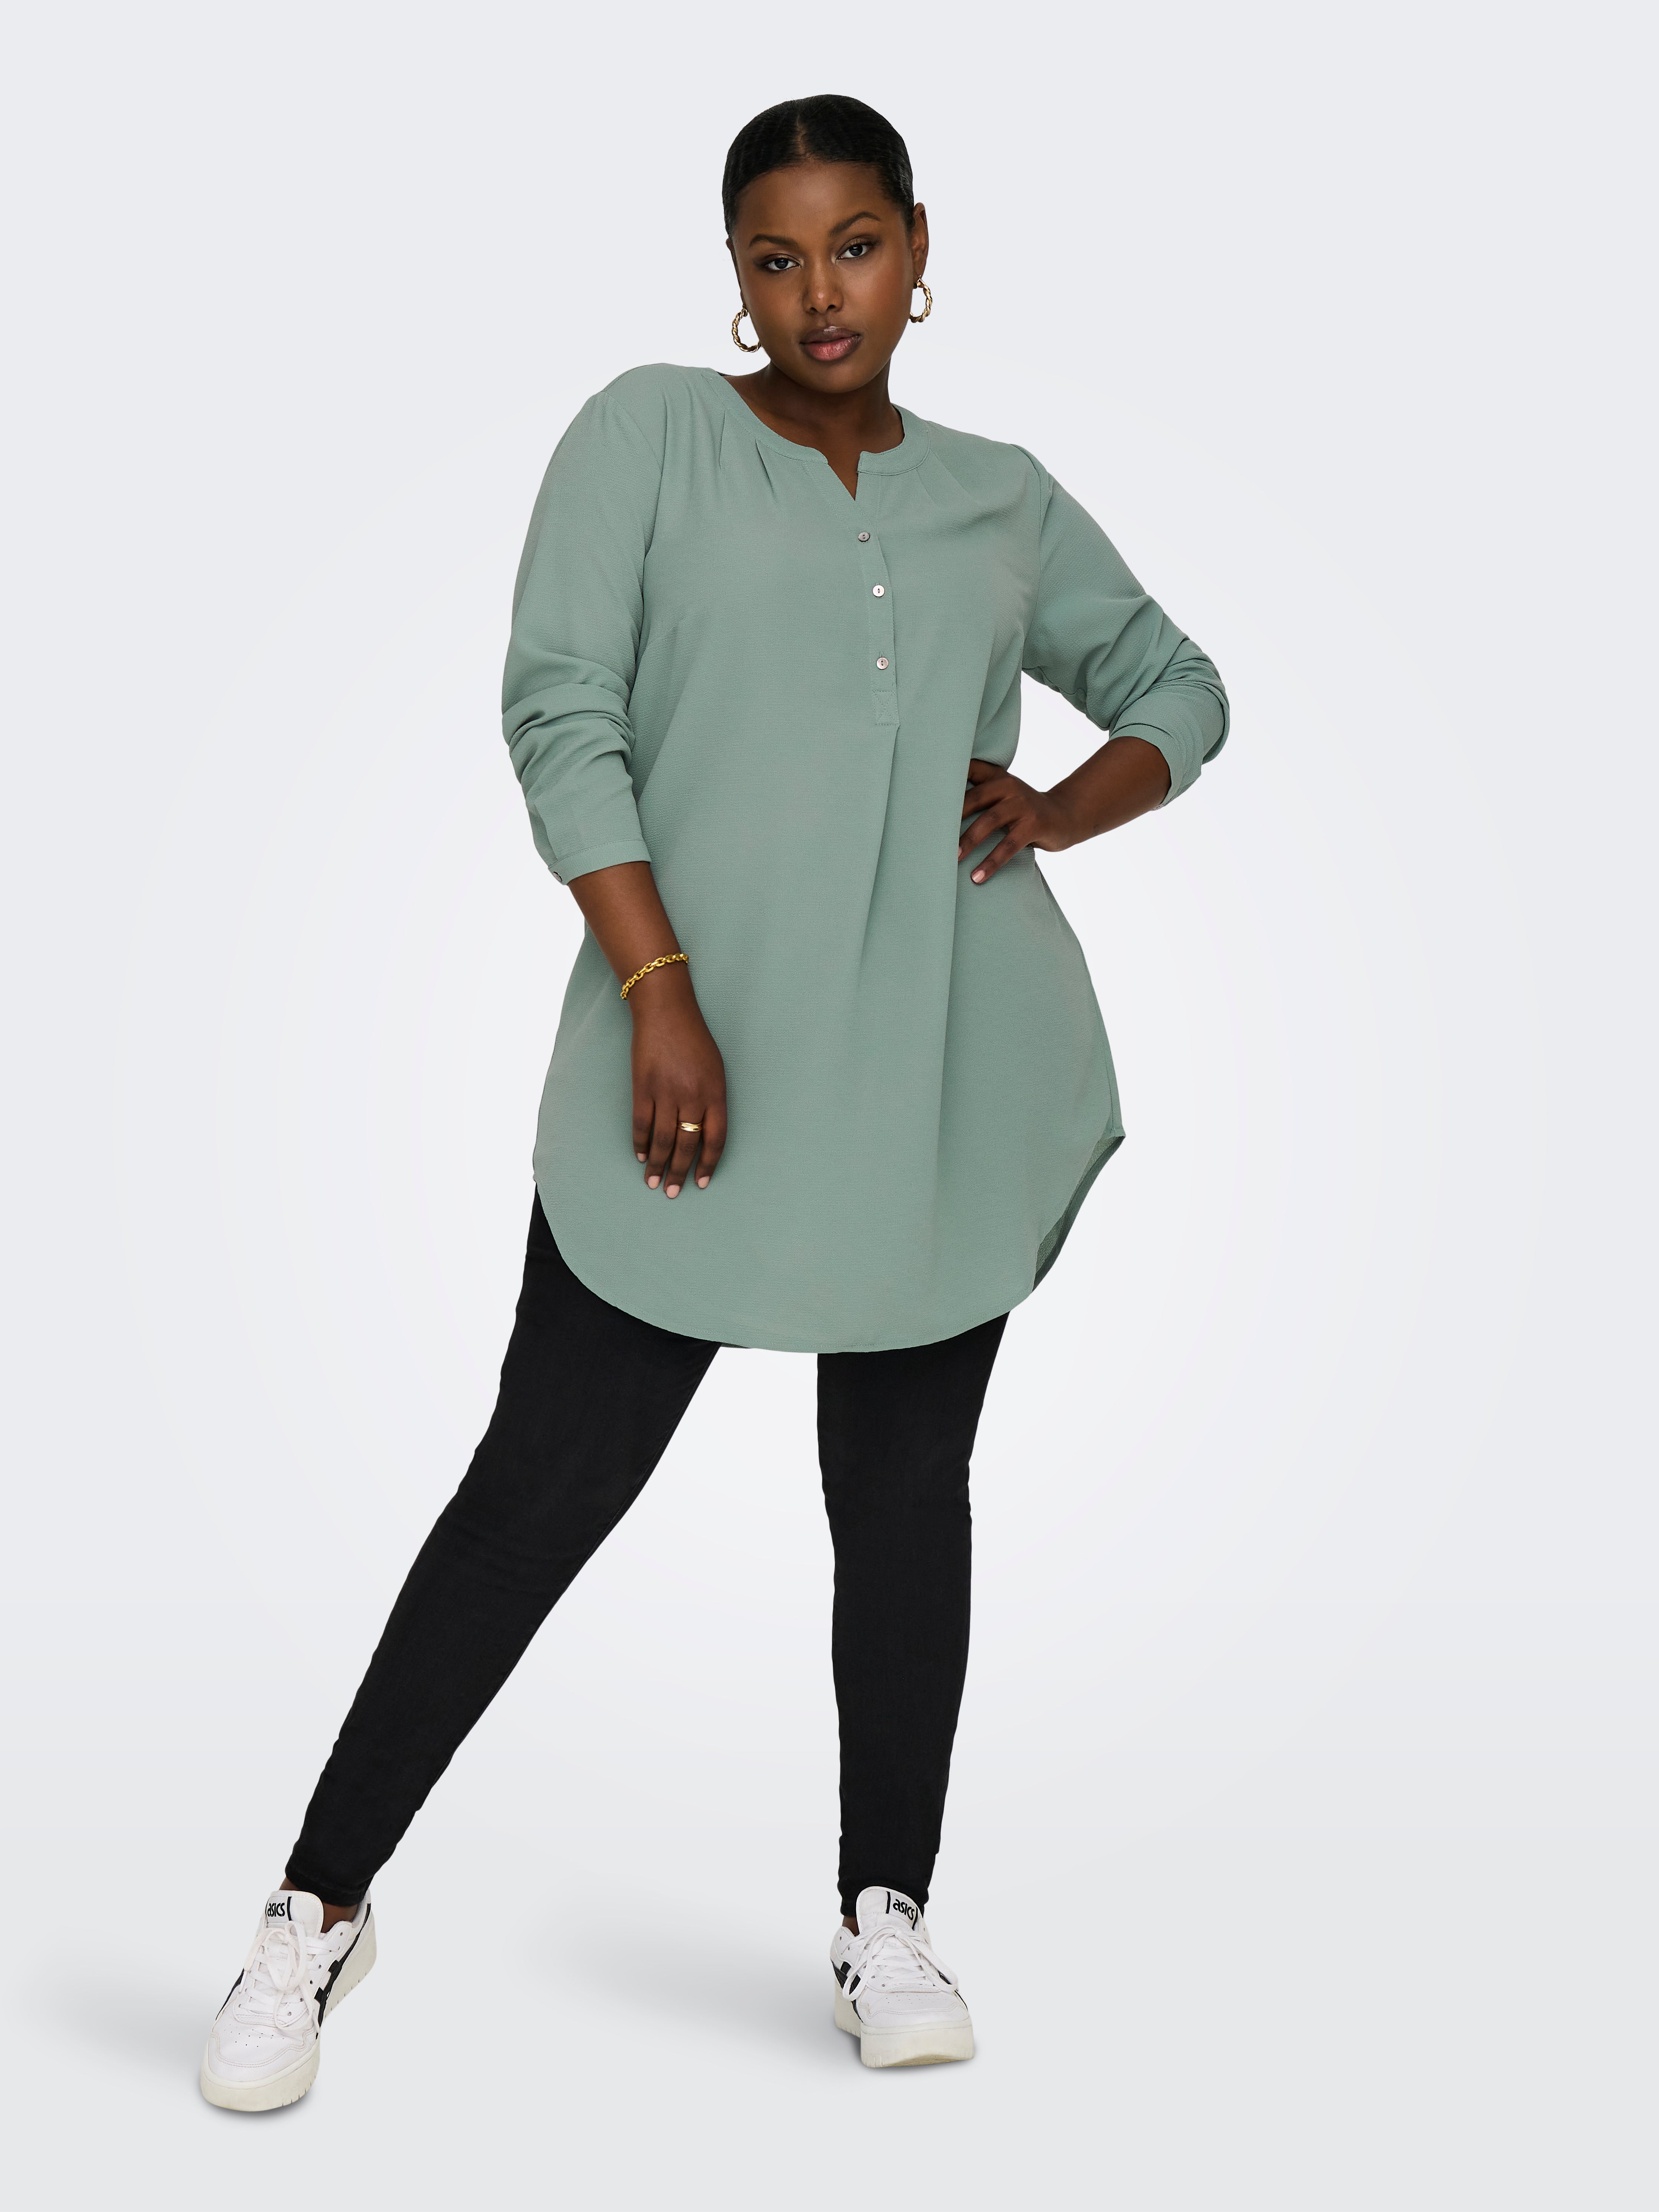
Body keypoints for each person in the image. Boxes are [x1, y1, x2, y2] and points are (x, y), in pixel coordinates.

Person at [200, 92, 1229, 2110]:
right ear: (737, 276)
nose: (820, 291)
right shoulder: (650, 437)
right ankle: (315, 1910)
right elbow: (559, 711)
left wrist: (1051, 808)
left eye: (857, 245)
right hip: (689, 1067)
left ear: (919, 249)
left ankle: (886, 1911)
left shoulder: (1001, 499)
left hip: (940, 1061)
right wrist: (658, 990)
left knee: (903, 1501)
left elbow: (1180, 690)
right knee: (542, 1488)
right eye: (776, 255)